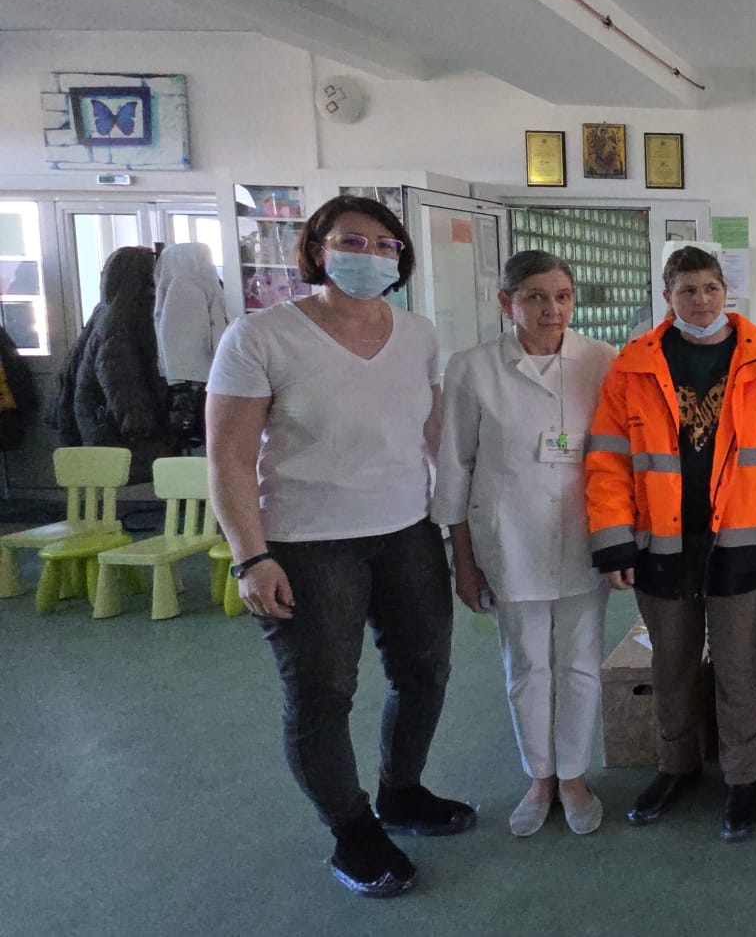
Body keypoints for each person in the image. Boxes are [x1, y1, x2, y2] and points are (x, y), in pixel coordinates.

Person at [207, 196, 470, 899]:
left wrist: (460, 521)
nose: (370, 256)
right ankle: (352, 830)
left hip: (407, 530)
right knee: (323, 692)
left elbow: (434, 436)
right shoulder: (262, 337)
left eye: (386, 246)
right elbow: (229, 458)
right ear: (317, 249)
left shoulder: (418, 335)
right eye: (353, 241)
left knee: (424, 671)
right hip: (306, 544)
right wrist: (251, 556)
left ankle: (402, 792)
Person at [586, 246, 756, 842]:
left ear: (725, 291)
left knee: (739, 666)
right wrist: (613, 539)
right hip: (661, 541)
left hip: (742, 538)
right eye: (687, 290)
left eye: (710, 288)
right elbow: (607, 459)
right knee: (673, 664)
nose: (701, 301)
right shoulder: (632, 366)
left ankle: (742, 778)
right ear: (667, 297)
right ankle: (676, 766)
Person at [433, 251, 616, 838]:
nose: (551, 309)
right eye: (535, 297)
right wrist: (464, 563)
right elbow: (455, 467)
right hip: (508, 541)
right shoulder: (473, 368)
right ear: (505, 302)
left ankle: (574, 775)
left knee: (581, 661)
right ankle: (540, 776)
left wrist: (623, 542)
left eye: (562, 296)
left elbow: (618, 457)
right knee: (527, 664)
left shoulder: (601, 361)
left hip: (584, 536)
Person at [57, 246, 174, 475]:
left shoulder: (108, 310)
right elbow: (119, 375)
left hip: (97, 415)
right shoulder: (123, 318)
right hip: (114, 423)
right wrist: (139, 424)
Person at [153, 241, 229, 450]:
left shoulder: (172, 285)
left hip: (187, 377)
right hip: (200, 375)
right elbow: (212, 329)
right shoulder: (187, 286)